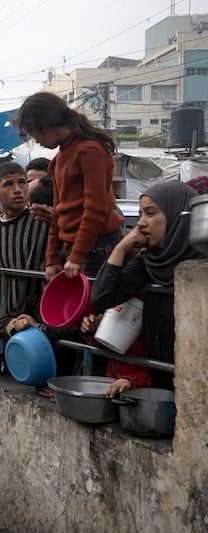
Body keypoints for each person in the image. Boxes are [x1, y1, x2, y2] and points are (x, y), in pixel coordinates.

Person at [90, 180, 206, 390]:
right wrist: (121, 248)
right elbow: (102, 298)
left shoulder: (200, 267)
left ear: (178, 215)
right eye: (141, 214)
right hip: (158, 381)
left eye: (150, 214)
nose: (141, 223)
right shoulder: (149, 262)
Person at [14, 91, 124, 280]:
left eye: (34, 134)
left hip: (100, 246)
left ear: (46, 127)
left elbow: (96, 207)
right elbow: (59, 211)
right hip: (78, 249)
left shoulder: (89, 151)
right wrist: (52, 257)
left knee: (94, 307)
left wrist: (77, 255)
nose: (37, 141)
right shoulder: (59, 159)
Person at [0, 162, 48, 340]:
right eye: (9, 184)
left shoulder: (41, 219)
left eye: (22, 183)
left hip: (37, 318)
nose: (18, 189)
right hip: (5, 321)